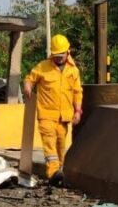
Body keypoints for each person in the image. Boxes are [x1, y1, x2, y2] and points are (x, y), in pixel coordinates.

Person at [23, 34, 84, 187]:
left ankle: (59, 174)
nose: (58, 58)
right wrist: (28, 86)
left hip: (64, 117)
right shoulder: (43, 67)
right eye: (55, 55)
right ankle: (52, 173)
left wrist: (78, 111)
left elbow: (77, 92)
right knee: (49, 144)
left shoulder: (73, 71)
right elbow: (30, 78)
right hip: (46, 114)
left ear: (67, 52)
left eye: (61, 55)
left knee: (60, 145)